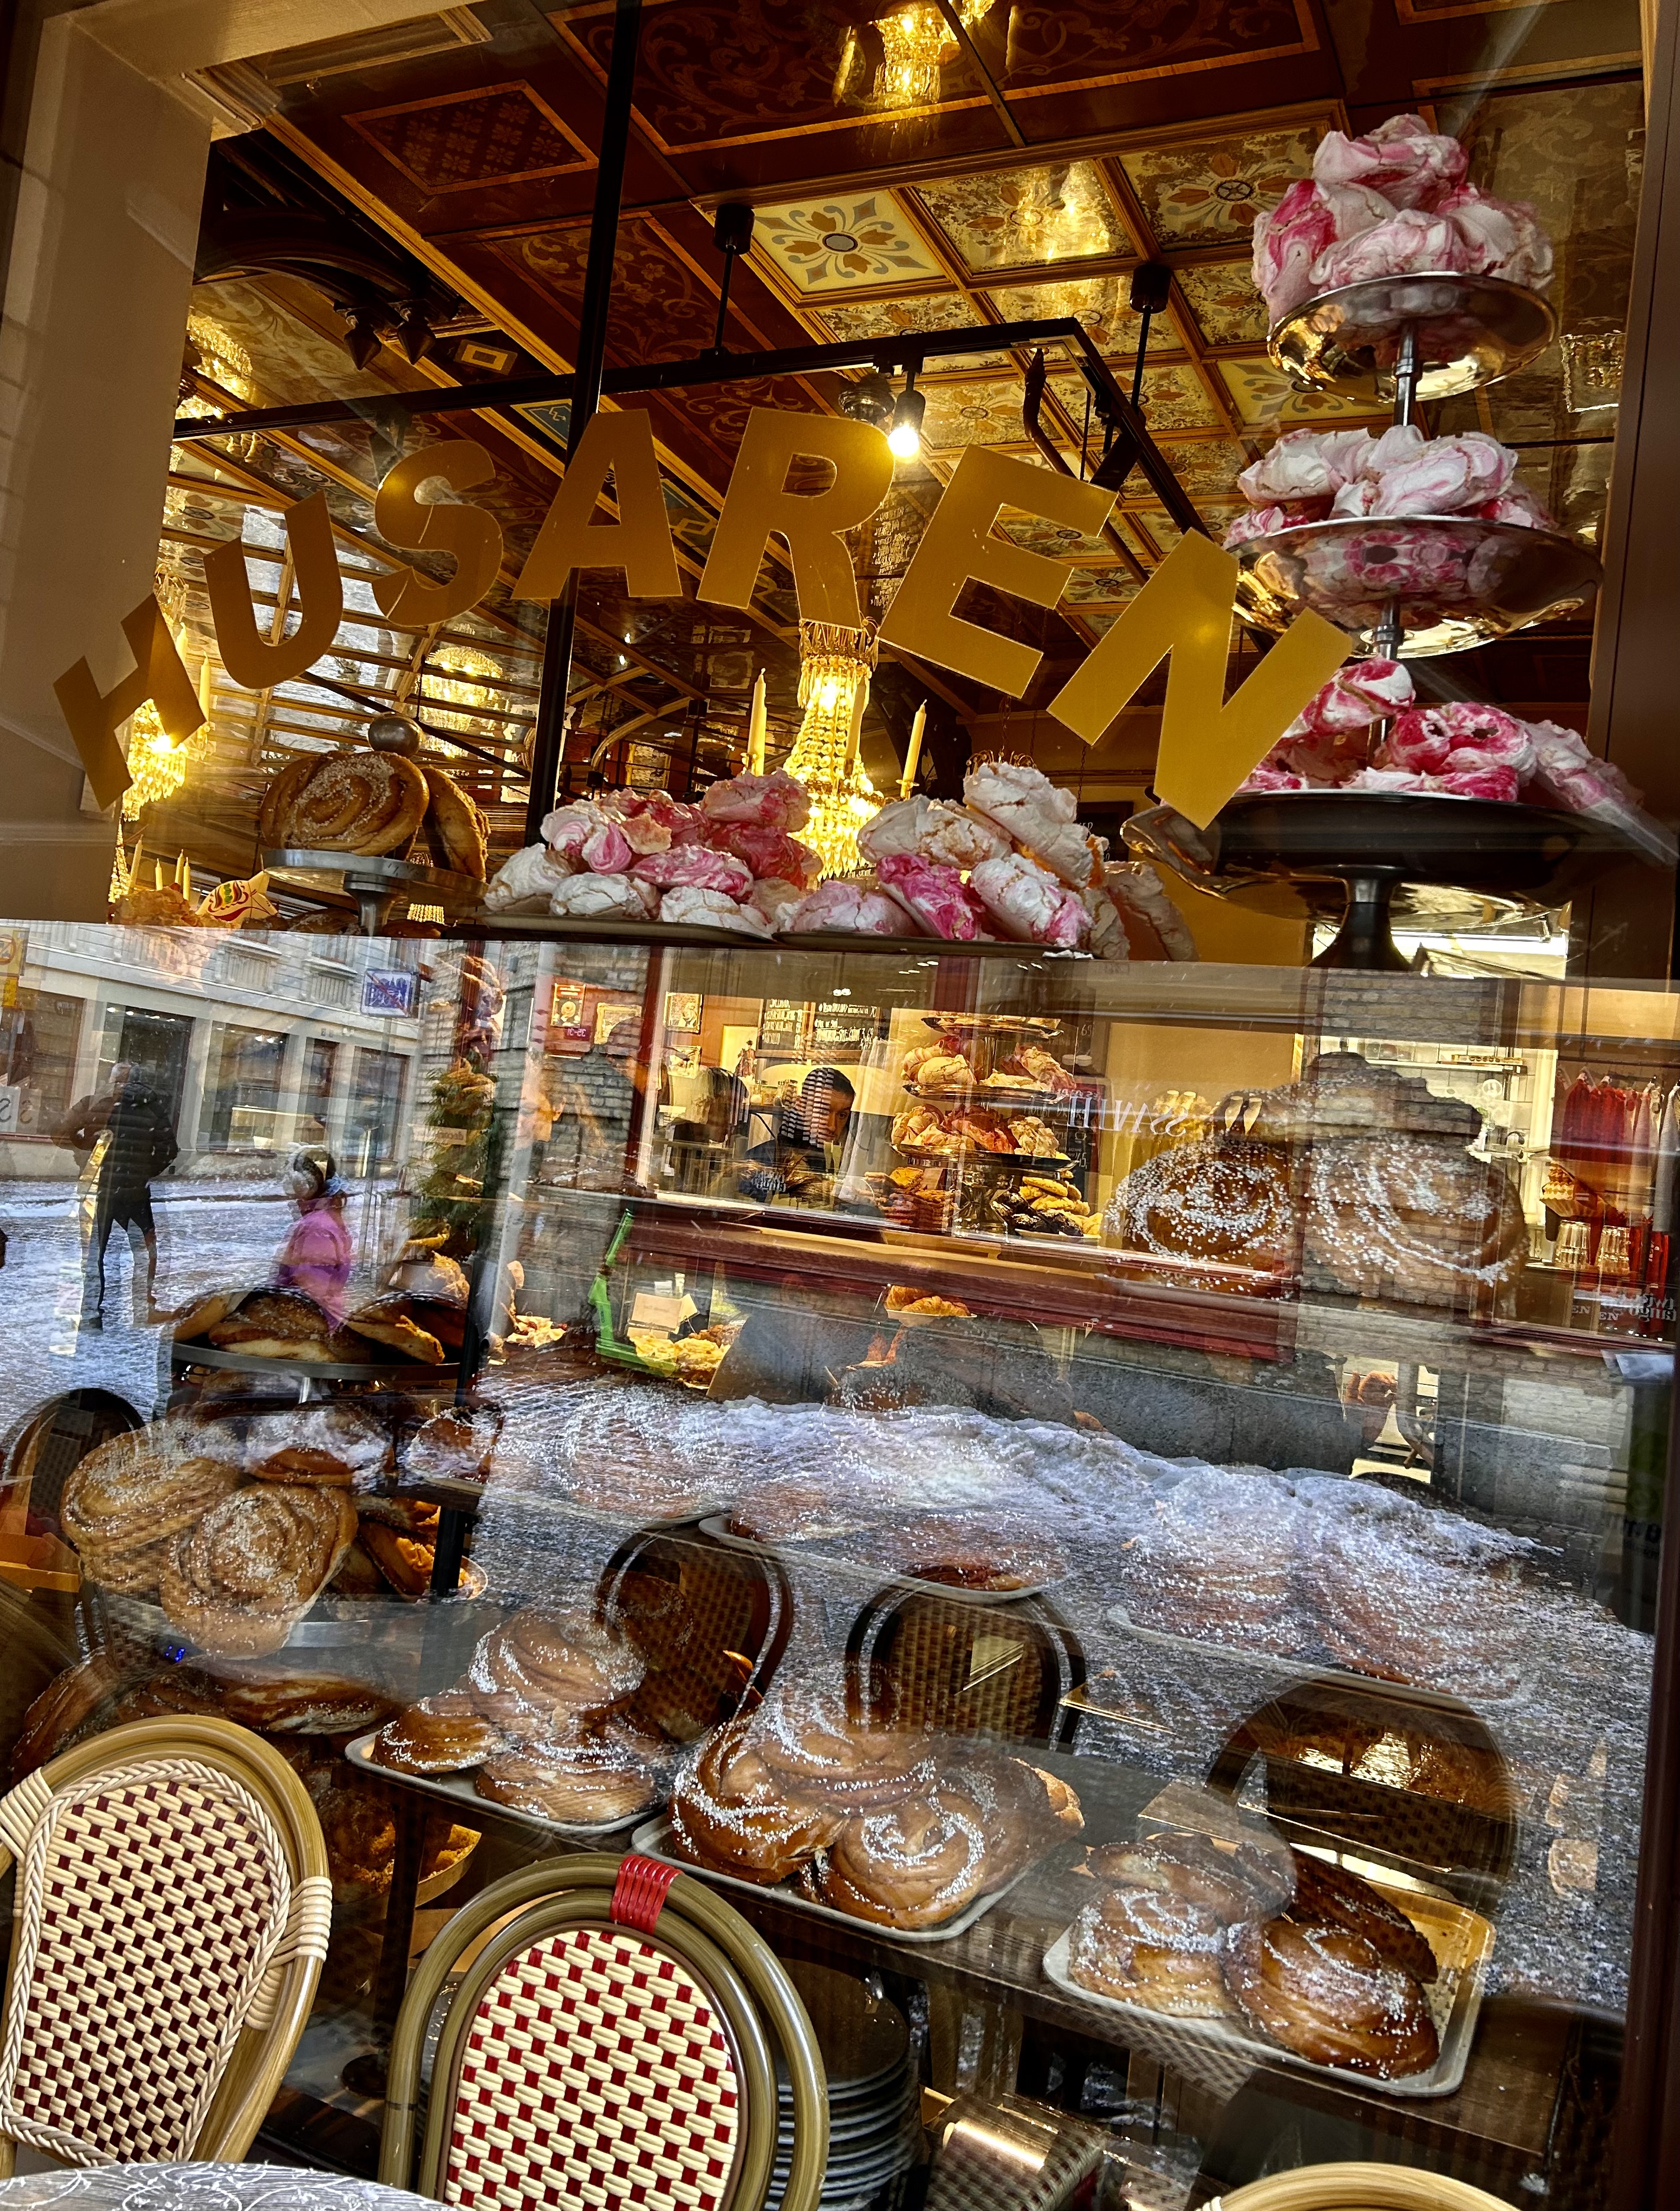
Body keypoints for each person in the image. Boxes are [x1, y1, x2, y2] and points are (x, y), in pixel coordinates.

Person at [52, 1059, 179, 1328]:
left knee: (93, 1254)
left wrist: (86, 1151)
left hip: (98, 1190)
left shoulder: (92, 1104)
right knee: (144, 1253)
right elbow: (169, 1151)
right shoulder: (153, 1107)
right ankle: (143, 1309)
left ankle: (90, 1315)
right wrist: (142, 1172)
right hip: (134, 1194)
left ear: (112, 1080)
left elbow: (59, 1134)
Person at [739, 1067, 855, 1205]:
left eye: (842, 1115)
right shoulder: (763, 1159)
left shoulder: (827, 1159)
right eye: (823, 1111)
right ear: (801, 1106)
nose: (832, 1126)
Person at [275, 1149, 355, 1323]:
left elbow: (311, 1288)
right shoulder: (326, 1216)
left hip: (310, 1319)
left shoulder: (315, 1228)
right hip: (323, 1313)